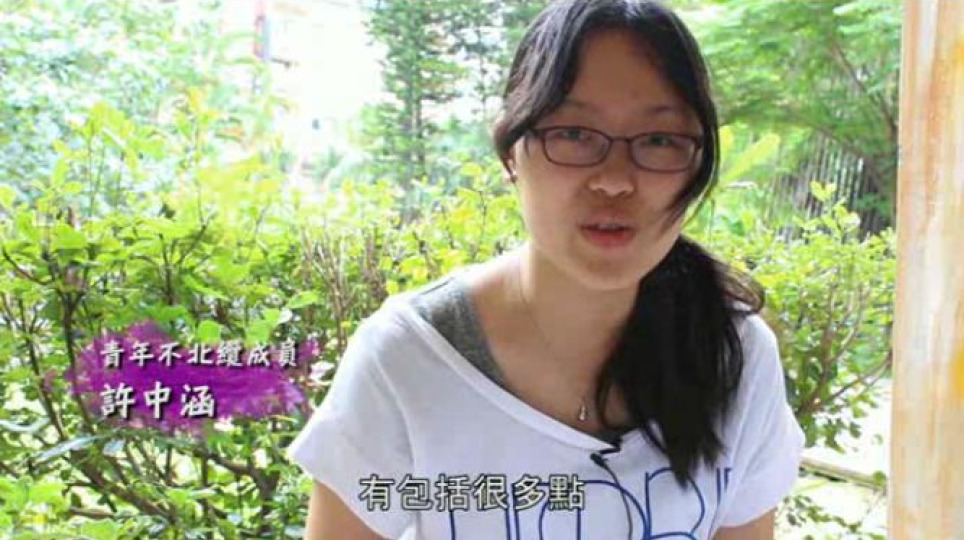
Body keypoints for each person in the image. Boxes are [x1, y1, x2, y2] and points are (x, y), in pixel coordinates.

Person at [287, 0, 806, 538]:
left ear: (696, 167)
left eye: (659, 141)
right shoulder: (406, 361)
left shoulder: (734, 356)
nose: (614, 180)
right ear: (511, 154)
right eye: (574, 133)